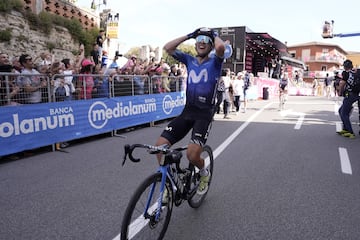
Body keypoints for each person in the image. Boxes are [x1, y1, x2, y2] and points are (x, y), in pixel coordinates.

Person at [156, 27, 225, 195]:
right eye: (199, 39)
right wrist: (189, 35)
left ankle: (204, 173)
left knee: (192, 155)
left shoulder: (215, 61)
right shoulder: (189, 60)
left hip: (204, 114)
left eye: (206, 40)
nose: (202, 42)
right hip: (187, 111)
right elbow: (168, 48)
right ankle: (170, 184)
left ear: (210, 45)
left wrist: (213, 35)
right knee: (160, 148)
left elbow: (221, 48)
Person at [337, 60, 360, 139]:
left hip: (349, 95)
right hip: (356, 94)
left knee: (344, 113)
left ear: (344, 66)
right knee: (341, 111)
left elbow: (342, 83)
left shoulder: (346, 73)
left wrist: (340, 92)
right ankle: (346, 129)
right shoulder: (357, 72)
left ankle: (350, 132)